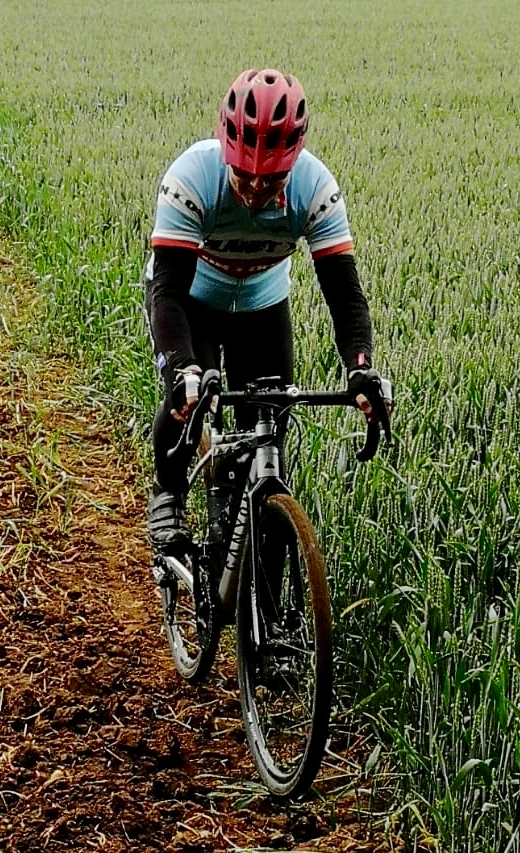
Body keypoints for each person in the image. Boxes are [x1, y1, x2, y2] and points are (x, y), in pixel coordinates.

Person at [144, 67, 390, 548]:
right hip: (191, 300)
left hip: (262, 306)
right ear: (225, 149)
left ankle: (261, 559)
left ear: (294, 161)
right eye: (244, 174)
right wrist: (182, 368)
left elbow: (345, 297)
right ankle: (168, 494)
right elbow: (167, 292)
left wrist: (360, 368)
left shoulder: (315, 189)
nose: (256, 189)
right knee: (184, 399)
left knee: (268, 434)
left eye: (273, 178)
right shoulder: (191, 177)